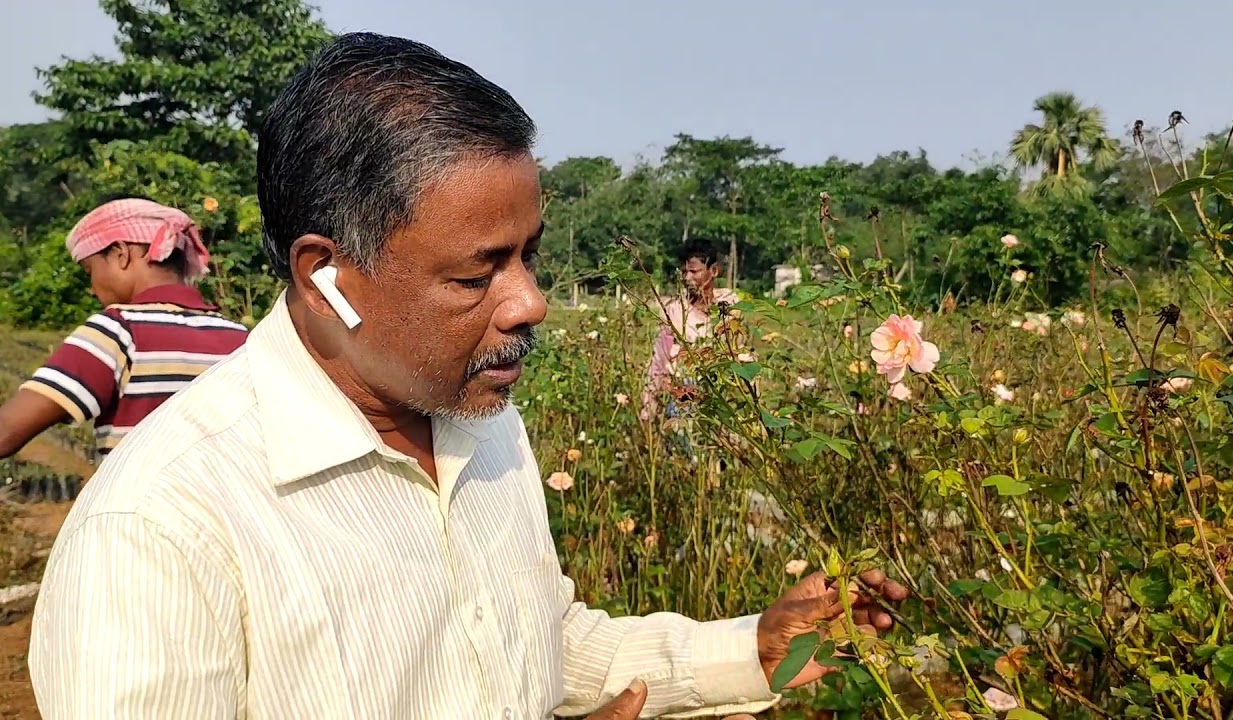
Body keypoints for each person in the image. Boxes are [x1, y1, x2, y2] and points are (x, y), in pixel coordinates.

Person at [28, 33, 907, 720]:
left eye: (530, 256)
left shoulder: (481, 427)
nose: (531, 303)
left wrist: (752, 647)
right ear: (324, 276)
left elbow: (531, 642)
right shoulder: (159, 529)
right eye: (475, 273)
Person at [0, 196, 248, 493]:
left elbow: (7, 430)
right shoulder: (241, 340)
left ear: (120, 253)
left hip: (141, 526)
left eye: (89, 271)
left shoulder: (119, 331)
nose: (92, 289)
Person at [641, 238, 739, 422]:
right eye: (685, 272)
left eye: (694, 272)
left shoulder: (729, 304)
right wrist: (650, 407)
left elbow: (740, 349)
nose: (687, 278)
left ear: (714, 271)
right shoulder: (676, 311)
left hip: (724, 389)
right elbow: (659, 363)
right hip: (686, 394)